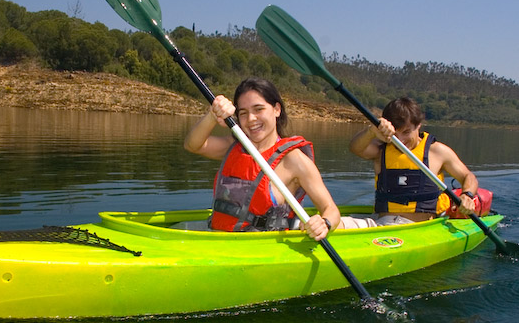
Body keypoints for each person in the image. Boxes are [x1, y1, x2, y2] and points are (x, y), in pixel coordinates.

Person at [183, 77, 340, 240]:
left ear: (276, 109)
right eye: (243, 113)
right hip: (220, 238)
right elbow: (192, 145)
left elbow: (331, 210)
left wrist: (324, 223)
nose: (251, 119)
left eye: (258, 109)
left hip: (264, 247)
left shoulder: (295, 160)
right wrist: (212, 115)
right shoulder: (234, 146)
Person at [345, 96, 479, 227]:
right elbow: (355, 148)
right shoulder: (381, 148)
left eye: (406, 132)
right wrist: (371, 131)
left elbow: (468, 176)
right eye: (395, 135)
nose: (400, 140)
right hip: (381, 222)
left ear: (418, 125)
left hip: (418, 227)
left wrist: (467, 195)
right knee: (336, 224)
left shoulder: (438, 152)